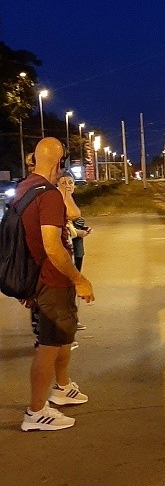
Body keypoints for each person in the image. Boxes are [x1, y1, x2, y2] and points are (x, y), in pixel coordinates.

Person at [17, 137, 95, 432]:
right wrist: (79, 278)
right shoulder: (47, 195)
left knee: (62, 335)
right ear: (59, 162)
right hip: (51, 281)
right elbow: (52, 246)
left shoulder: (26, 188)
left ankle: (62, 388)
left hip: (41, 281)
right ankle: (35, 412)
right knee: (48, 345)